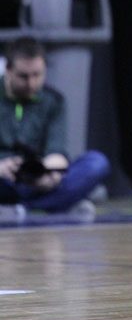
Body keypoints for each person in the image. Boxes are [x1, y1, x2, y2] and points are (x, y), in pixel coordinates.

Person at [0, 36, 110, 222]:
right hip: (4, 180)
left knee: (97, 163)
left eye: (37, 75)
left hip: (36, 179)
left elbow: (56, 150)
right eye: (23, 76)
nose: (31, 84)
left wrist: (48, 174)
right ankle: (59, 205)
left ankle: (22, 210)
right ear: (9, 71)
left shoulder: (54, 101)